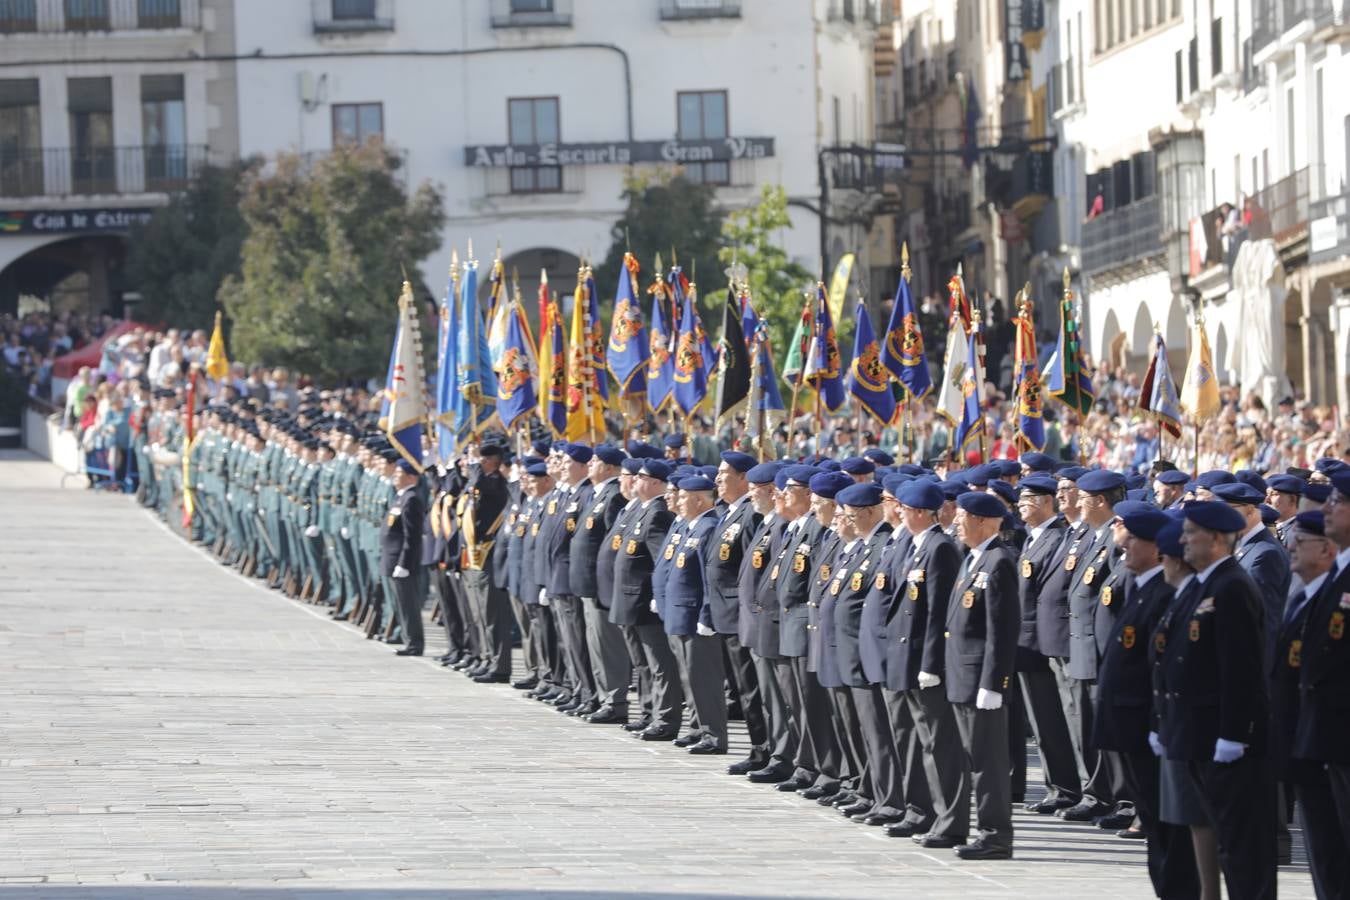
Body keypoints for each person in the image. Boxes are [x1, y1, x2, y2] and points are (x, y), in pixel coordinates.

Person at [1158, 500, 1275, 899]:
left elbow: (1240, 669)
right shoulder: (1206, 584)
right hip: (1198, 732)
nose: (1184, 539)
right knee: (1223, 836)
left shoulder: (1232, 586)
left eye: (1192, 532)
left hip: (1223, 738)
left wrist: (1234, 733)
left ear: (1218, 539)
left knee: (1241, 847)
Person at [945, 490, 1020, 860]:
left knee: (988, 762)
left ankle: (995, 836)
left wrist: (994, 683)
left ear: (983, 521)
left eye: (962, 517)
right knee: (973, 759)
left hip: (980, 681)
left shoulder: (999, 561)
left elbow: (1002, 630)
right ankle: (985, 830)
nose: (956, 522)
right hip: (962, 676)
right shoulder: (973, 558)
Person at [1293, 469, 1350, 898]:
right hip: (1322, 736)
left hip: (1340, 736)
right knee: (1329, 852)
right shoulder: (1335, 577)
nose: (1328, 508)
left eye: (1339, 502)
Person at [383, 460, 426, 657]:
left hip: (402, 560)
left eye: (399, 473)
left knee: (408, 604)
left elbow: (412, 536)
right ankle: (409, 640)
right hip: (392, 557)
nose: (395, 475)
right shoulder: (401, 497)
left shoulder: (412, 499)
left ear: (412, 477)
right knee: (400, 603)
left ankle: (414, 643)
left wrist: (404, 563)